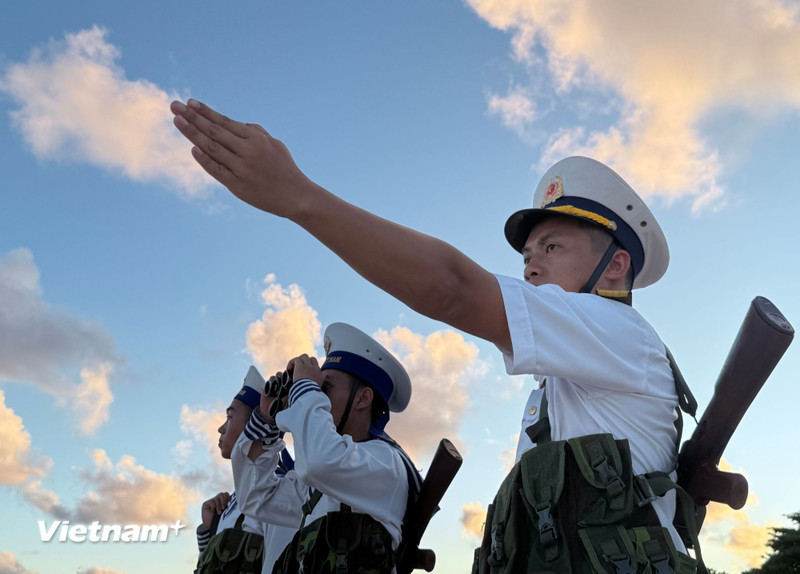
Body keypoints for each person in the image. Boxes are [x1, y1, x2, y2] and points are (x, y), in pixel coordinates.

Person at [171, 100, 697, 571]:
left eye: (552, 247)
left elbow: (452, 289)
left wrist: (299, 197)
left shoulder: (618, 331)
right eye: (527, 255)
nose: (531, 265)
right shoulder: (571, 379)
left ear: (615, 267)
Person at [231, 322, 420, 574]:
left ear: (363, 398)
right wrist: (266, 422)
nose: (317, 394)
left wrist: (304, 387)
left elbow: (319, 462)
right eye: (316, 387)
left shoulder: (385, 462)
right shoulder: (323, 482)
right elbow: (256, 498)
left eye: (324, 387)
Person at [196, 365, 295, 574]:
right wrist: (209, 528)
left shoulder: (274, 491)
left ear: (253, 424)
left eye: (230, 417)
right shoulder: (233, 501)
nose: (221, 428)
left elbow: (278, 564)